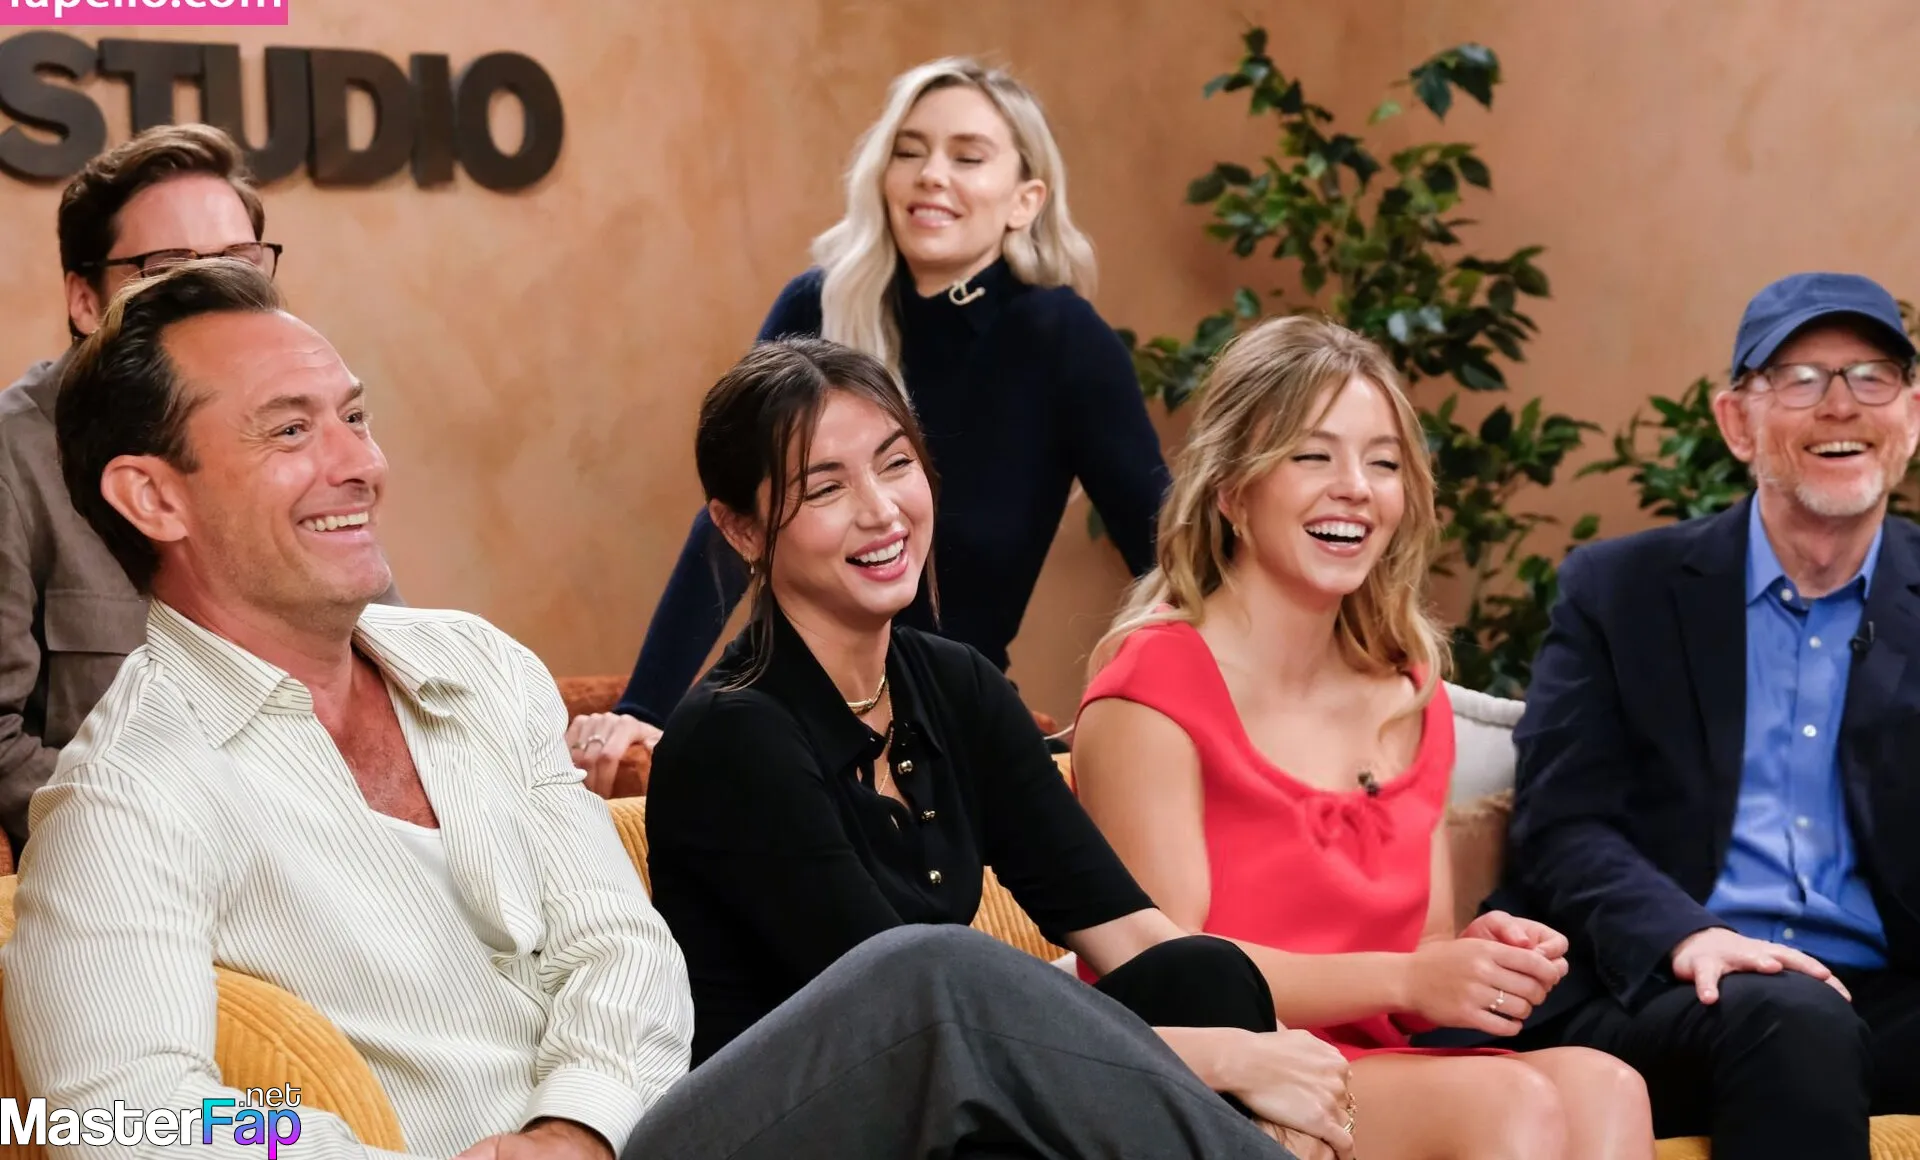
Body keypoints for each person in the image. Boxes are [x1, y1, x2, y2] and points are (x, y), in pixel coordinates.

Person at [3, 258, 1319, 1160]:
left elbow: (623, 953)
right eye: (291, 432)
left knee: (1045, 1001)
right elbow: (120, 1117)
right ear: (153, 496)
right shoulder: (124, 800)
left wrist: (571, 1127)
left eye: (353, 416)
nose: (360, 462)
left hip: (659, 1135)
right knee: (936, 985)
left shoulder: (475, 666)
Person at [643, 337, 1356, 1160]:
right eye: (826, 488)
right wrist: (1230, 1060)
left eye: (896, 464)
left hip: (945, 1099)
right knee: (935, 969)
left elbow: (1130, 935)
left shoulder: (956, 687)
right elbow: (913, 1020)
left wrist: (1271, 1056)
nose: (881, 510)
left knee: (1202, 973)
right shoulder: (733, 736)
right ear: (741, 529)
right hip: (783, 1129)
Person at [1070, 315, 1655, 1160]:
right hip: (1216, 1073)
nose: (1355, 488)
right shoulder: (1150, 687)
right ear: (1232, 491)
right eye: (1313, 456)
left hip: (1373, 1069)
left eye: (1383, 463)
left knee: (1609, 1085)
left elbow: (1425, 948)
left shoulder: (1405, 691)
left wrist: (1473, 964)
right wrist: (1412, 978)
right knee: (1509, 1102)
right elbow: (1168, 975)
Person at [569, 57, 1170, 786]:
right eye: (909, 151)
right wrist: (646, 708)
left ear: (1025, 200)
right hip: (787, 714)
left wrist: (1126, 709)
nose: (931, 175)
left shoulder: (1063, 340)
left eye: (967, 157)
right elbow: (730, 527)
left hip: (956, 730)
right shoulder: (816, 307)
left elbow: (1171, 563)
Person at [1482, 272, 1920, 1160]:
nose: (1841, 405)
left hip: (1883, 992)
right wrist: (1689, 935)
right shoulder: (1621, 592)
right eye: (1800, 379)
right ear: (1736, 422)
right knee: (1794, 1020)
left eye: (1872, 377)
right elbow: (1564, 823)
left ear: (1911, 415)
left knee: (1816, 1021)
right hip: (1670, 988)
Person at [0, 123, 398, 857]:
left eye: (237, 264)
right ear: (84, 299)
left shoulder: (310, 445)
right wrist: (189, 834)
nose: (211, 295)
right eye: (167, 271)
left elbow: (389, 661)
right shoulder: (13, 456)